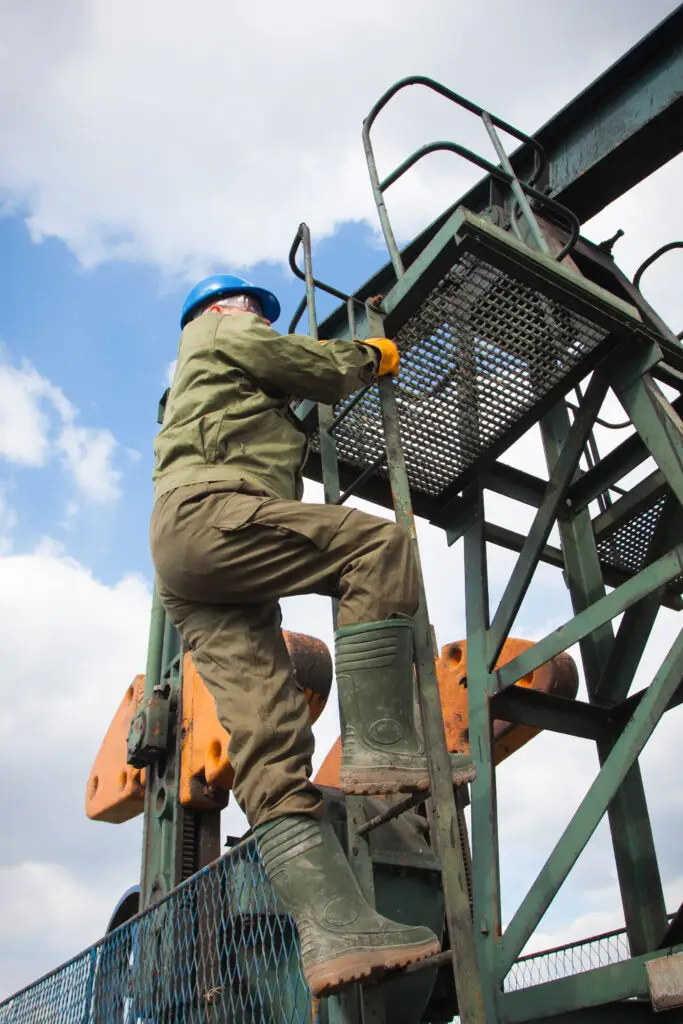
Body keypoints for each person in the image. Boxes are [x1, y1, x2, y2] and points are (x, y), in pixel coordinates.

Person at [150, 274, 476, 996]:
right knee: (377, 549)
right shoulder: (215, 330)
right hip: (214, 516)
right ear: (218, 308)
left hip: (189, 561)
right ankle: (379, 743)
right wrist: (371, 355)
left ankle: (335, 931)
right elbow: (312, 366)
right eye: (251, 309)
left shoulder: (188, 396)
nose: (255, 318)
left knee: (268, 742)